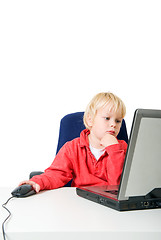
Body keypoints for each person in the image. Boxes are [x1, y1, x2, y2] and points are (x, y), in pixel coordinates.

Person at [19, 92, 127, 193]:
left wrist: (114, 150)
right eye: (107, 118)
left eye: (118, 121)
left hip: (109, 202)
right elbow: (56, 174)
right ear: (90, 120)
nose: (113, 124)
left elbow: (119, 187)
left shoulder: (123, 148)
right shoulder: (72, 147)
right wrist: (37, 182)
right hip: (80, 200)